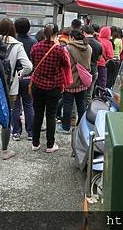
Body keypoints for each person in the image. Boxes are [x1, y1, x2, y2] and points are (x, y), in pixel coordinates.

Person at [30, 24, 69, 153]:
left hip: (37, 85)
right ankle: (50, 145)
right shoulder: (59, 49)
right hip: (53, 86)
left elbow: (33, 62)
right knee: (51, 115)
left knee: (38, 114)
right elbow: (65, 64)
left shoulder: (36, 46)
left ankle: (35, 143)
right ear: (56, 34)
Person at [0, 18, 32, 159]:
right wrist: (18, 74)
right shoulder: (17, 45)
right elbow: (28, 66)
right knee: (7, 115)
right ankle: (5, 150)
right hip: (10, 86)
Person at [59, 29, 92, 133]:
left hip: (70, 81)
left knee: (67, 104)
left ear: (72, 38)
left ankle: (65, 127)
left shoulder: (68, 48)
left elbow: (63, 64)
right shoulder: (89, 48)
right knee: (81, 104)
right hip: (82, 81)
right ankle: (81, 126)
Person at [11, 17, 36, 141]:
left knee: (15, 105)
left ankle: (16, 132)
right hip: (28, 77)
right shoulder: (33, 42)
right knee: (29, 104)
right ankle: (30, 133)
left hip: (15, 76)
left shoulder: (13, 42)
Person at [82, 25, 102, 96]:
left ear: (84, 32)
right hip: (94, 70)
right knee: (89, 94)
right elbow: (99, 59)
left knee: (80, 94)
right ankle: (87, 107)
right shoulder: (99, 44)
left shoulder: (82, 42)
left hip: (83, 71)